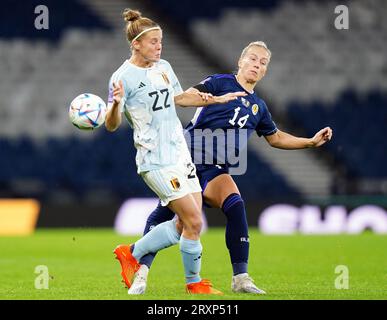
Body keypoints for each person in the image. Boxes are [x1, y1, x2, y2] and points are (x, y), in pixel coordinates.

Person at [126, 41, 333, 294]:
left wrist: (310, 142)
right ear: (241, 61)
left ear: (265, 71)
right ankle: (141, 271)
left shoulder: (259, 107)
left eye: (263, 62)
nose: (257, 64)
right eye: (253, 59)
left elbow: (275, 138)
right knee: (167, 215)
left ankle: (241, 278)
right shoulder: (220, 82)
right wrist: (209, 99)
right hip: (185, 157)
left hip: (216, 167)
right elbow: (183, 98)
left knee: (235, 205)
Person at [106, 9, 246, 295]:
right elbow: (111, 125)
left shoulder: (164, 67)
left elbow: (179, 98)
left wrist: (214, 99)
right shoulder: (122, 78)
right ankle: (193, 284)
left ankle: (131, 252)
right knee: (195, 220)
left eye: (161, 41)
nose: (159, 46)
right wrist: (115, 104)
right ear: (136, 44)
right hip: (155, 159)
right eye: (154, 42)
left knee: (185, 224)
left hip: (180, 153)